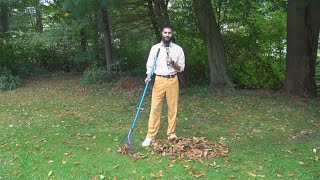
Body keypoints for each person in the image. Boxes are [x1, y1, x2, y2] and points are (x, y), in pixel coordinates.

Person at [142, 24, 185, 147]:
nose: (167, 35)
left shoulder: (178, 49)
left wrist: (172, 63)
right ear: (162, 33)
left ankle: (171, 133)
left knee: (173, 108)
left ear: (172, 34)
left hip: (172, 80)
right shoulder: (155, 48)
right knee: (155, 108)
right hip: (159, 80)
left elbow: (181, 68)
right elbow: (150, 65)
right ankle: (150, 136)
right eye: (165, 32)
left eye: (169, 33)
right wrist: (148, 75)